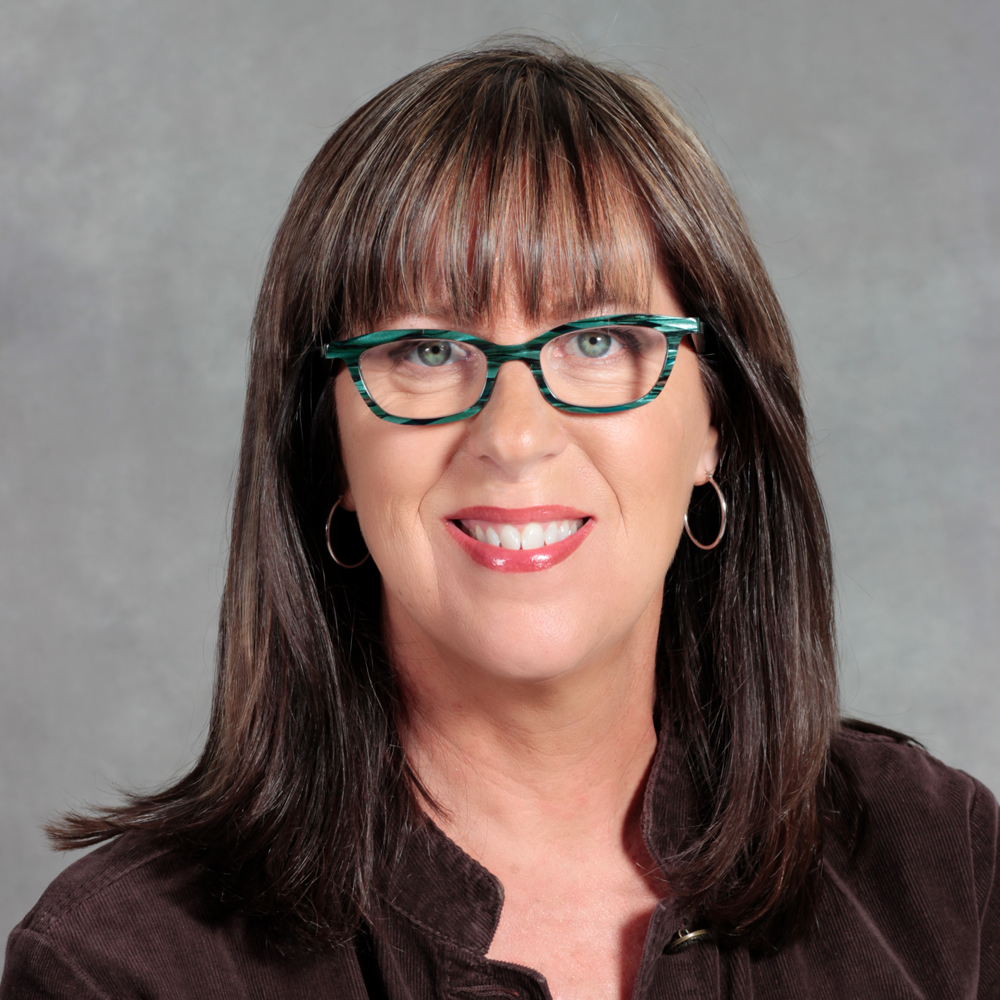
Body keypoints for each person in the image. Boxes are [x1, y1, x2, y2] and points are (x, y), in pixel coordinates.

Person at [2, 40, 997, 1000]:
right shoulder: (119, 970)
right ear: (330, 451)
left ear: (715, 425)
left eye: (598, 340)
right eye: (427, 351)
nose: (514, 436)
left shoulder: (941, 868)